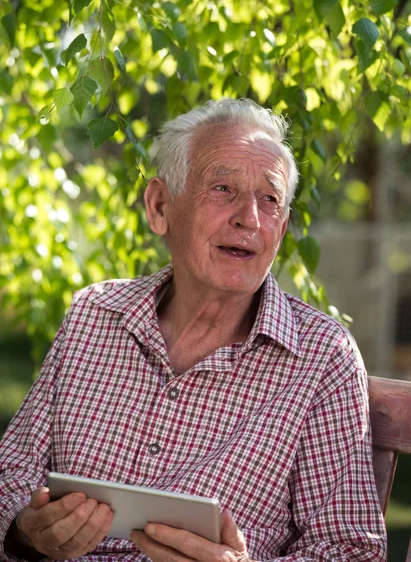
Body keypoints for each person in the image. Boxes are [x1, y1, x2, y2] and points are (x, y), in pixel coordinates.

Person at [0, 99, 386, 561]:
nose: (250, 218)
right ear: (160, 206)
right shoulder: (94, 314)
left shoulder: (322, 357)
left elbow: (351, 550)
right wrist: (22, 534)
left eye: (269, 199)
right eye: (223, 188)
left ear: (280, 230)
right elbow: (12, 474)